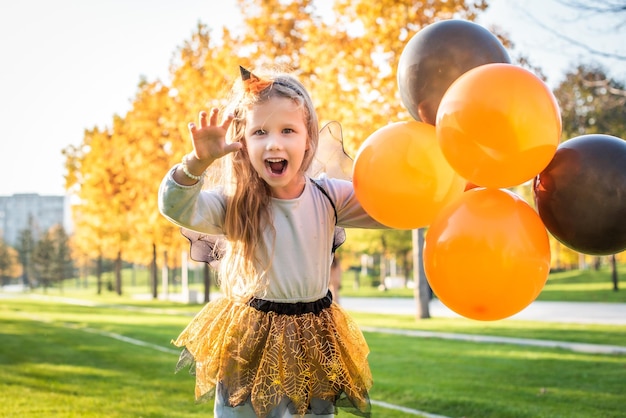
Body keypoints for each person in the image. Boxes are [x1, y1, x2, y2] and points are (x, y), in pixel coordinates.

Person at [158, 65, 386, 418]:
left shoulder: (329, 196)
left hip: (313, 337)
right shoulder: (234, 203)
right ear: (242, 142)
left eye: (288, 130)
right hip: (251, 339)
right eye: (260, 131)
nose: (274, 142)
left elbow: (389, 207)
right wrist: (197, 162)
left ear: (308, 138)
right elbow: (175, 207)